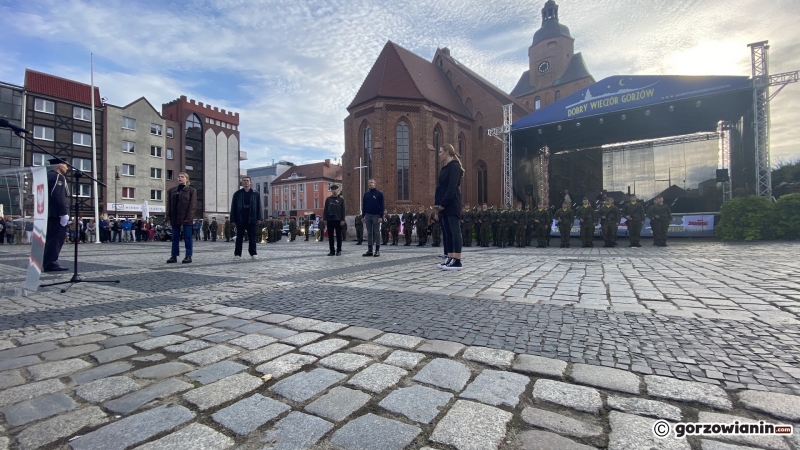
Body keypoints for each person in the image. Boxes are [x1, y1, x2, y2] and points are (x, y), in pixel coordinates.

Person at [434, 143, 464, 270]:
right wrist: (437, 205)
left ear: (447, 152)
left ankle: (457, 261)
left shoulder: (455, 167)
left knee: (454, 231)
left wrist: (443, 203)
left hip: (452, 204)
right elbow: (440, 188)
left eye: (441, 152)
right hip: (443, 205)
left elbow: (452, 187)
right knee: (447, 232)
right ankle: (450, 257)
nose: (439, 154)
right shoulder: (444, 168)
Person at [43, 158, 71, 271]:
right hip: (56, 214)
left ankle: (47, 262)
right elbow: (58, 195)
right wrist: (63, 213)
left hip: (49, 212)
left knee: (50, 239)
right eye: (66, 165)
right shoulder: (58, 177)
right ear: (60, 166)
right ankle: (51, 263)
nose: (67, 168)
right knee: (56, 239)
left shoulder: (47, 175)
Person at [166, 172, 197, 263]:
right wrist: (168, 216)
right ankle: (174, 256)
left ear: (186, 179)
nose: (180, 178)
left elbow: (193, 205)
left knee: (187, 237)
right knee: (174, 238)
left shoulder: (191, 191)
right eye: (179, 177)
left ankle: (188, 256)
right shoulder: (172, 190)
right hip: (175, 217)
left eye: (182, 177)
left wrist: (189, 217)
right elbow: (169, 205)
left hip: (186, 217)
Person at [231, 176, 262, 260]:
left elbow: (259, 206)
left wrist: (259, 218)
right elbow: (233, 207)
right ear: (242, 182)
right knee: (239, 237)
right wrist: (232, 219)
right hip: (240, 218)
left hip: (252, 217)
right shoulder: (237, 194)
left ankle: (253, 253)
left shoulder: (255, 194)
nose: (246, 182)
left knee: (252, 237)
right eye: (244, 180)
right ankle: (237, 254)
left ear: (250, 182)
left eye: (247, 180)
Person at [361, 178, 385, 257]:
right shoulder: (366, 194)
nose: (370, 184)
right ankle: (370, 250)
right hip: (368, 215)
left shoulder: (379, 194)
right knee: (369, 233)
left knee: (376, 232)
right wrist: (363, 215)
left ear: (375, 184)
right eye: (369, 183)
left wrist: (381, 216)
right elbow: (364, 205)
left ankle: (377, 250)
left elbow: (382, 206)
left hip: (376, 215)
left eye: (372, 182)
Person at [323, 184, 345, 256]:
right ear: (331, 191)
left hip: (338, 220)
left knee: (339, 236)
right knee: (331, 236)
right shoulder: (328, 199)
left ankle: (339, 250)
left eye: (335, 189)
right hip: (330, 220)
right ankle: (332, 250)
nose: (334, 191)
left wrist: (343, 219)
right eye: (333, 189)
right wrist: (325, 218)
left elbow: (343, 210)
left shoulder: (341, 200)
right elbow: (325, 209)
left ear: (338, 190)